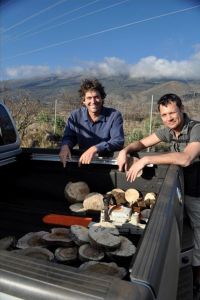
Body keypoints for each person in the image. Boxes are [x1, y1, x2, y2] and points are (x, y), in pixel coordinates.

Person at [117, 93, 200, 290]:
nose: (169, 118)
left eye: (172, 112)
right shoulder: (167, 131)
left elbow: (186, 158)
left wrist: (147, 159)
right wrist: (125, 151)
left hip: (197, 192)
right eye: (164, 115)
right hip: (180, 188)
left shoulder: (197, 129)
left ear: (181, 109)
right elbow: (142, 143)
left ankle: (197, 279)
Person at [59, 78, 124, 167]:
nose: (93, 101)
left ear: (102, 98)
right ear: (84, 101)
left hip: (107, 163)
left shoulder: (114, 116)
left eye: (96, 97)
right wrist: (65, 146)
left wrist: (95, 148)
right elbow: (69, 136)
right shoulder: (75, 116)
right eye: (89, 98)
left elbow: (118, 141)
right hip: (84, 162)